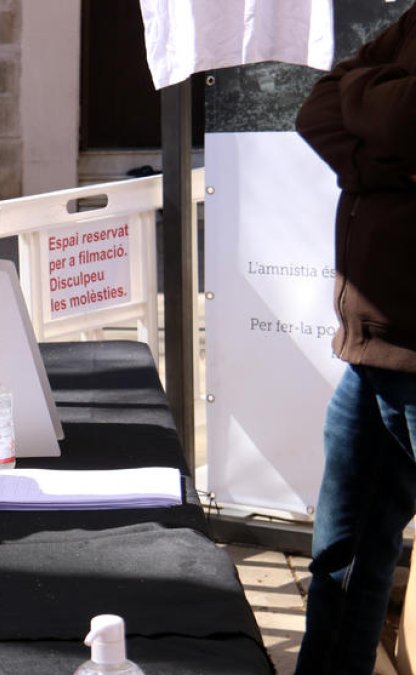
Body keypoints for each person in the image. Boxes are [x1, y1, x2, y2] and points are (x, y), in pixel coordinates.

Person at [293, 6, 416, 675]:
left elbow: (400, 118)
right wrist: (391, 163)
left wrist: (368, 105)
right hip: (370, 354)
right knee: (341, 559)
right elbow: (317, 108)